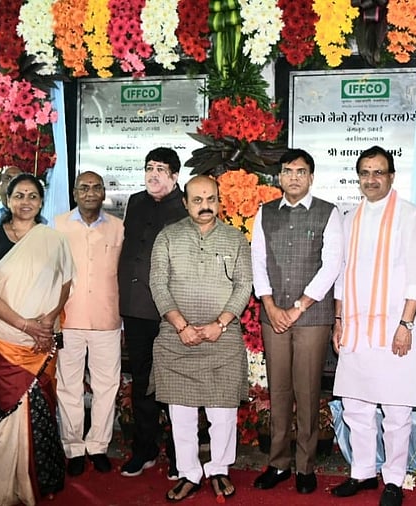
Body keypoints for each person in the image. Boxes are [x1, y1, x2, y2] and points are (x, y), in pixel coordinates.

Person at [331, 146, 416, 506]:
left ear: (391, 176)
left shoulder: (410, 216)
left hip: (393, 328)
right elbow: (342, 275)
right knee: (355, 406)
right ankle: (362, 472)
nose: (371, 180)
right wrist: (339, 321)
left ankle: (393, 479)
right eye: (365, 173)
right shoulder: (349, 218)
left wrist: (406, 324)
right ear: (358, 178)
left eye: (378, 172)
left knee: (396, 410)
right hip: (356, 328)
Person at [150, 175, 252, 501]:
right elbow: (158, 284)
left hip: (221, 338)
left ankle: (219, 468)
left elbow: (243, 286)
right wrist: (181, 325)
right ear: (185, 202)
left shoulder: (236, 240)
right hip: (177, 338)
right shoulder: (167, 237)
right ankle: (189, 472)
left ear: (219, 201)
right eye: (197, 199)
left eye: (210, 199)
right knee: (181, 414)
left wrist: (219, 324)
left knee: (222, 412)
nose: (204, 205)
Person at [251, 149, 343, 494]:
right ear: (279, 177)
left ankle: (305, 466)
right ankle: (277, 463)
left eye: (300, 172)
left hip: (312, 316)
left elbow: (331, 265)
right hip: (273, 314)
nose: (293, 177)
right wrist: (271, 305)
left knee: (306, 391)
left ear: (311, 177)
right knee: (279, 390)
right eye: (287, 171)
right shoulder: (265, 214)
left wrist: (299, 306)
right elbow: (257, 261)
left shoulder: (328, 213)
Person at [0, 173, 74, 506]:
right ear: (7, 200)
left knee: (40, 406)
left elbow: (65, 284)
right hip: (3, 339)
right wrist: (24, 324)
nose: (25, 202)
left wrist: (47, 321)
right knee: (6, 408)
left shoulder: (53, 239)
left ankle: (35, 484)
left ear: (41, 201)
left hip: (42, 339)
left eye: (32, 196)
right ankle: (1, 489)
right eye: (19, 195)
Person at [117, 147, 187, 478]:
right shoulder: (135, 201)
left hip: (170, 312)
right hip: (135, 308)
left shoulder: (186, 206)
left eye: (161, 169)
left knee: (173, 384)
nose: (153, 174)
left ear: (175, 176)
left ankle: (178, 455)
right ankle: (144, 450)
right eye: (149, 168)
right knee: (142, 381)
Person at [54, 171, 124, 476]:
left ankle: (97, 446)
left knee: (106, 386)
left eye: (96, 188)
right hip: (68, 319)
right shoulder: (56, 226)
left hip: (108, 319)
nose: (90, 193)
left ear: (104, 193)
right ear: (74, 192)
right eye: (84, 188)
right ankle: (73, 448)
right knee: (68, 387)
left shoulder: (119, 228)